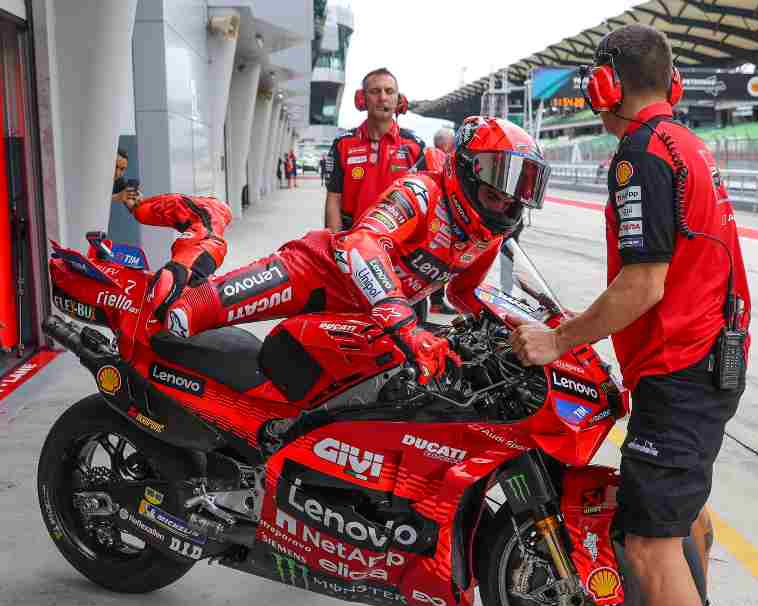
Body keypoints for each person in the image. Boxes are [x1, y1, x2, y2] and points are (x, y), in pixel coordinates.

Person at [509, 24, 748, 606]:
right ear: (672, 83)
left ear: (606, 87)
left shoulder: (640, 154)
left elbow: (643, 284)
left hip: (682, 370)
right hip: (707, 360)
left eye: (594, 86)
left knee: (648, 543)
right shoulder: (687, 144)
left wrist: (558, 339)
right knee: (680, 508)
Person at [145, 116, 549, 386]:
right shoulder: (421, 194)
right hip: (315, 274)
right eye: (495, 193)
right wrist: (404, 320)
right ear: (465, 169)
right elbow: (360, 242)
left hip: (367, 319)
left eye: (513, 198)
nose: (506, 205)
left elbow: (465, 296)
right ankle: (205, 226)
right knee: (180, 315)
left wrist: (523, 326)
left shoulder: (486, 237)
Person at [324, 68, 425, 232]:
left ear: (399, 100)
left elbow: (425, 203)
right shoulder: (343, 144)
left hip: (399, 247)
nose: (383, 97)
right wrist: (336, 247)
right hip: (352, 242)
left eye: (389, 91)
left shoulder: (415, 146)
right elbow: (334, 198)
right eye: (375, 91)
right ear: (362, 99)